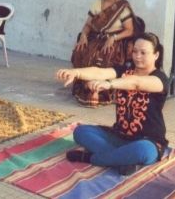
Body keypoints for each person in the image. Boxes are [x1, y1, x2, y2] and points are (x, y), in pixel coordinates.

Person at [57, 32, 168, 175]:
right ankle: (122, 160)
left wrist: (109, 84)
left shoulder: (159, 79)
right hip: (119, 136)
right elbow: (99, 72)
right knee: (81, 132)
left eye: (143, 53)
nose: (137, 56)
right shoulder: (125, 69)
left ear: (156, 55)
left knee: (143, 151)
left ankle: (91, 158)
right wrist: (75, 72)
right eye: (134, 51)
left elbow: (136, 83)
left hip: (148, 141)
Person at [71, 0, 136, 107]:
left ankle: (100, 91)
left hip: (114, 40)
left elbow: (130, 30)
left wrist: (114, 37)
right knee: (81, 51)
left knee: (103, 56)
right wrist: (83, 35)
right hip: (96, 37)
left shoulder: (122, 7)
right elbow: (88, 24)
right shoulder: (97, 3)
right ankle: (84, 88)